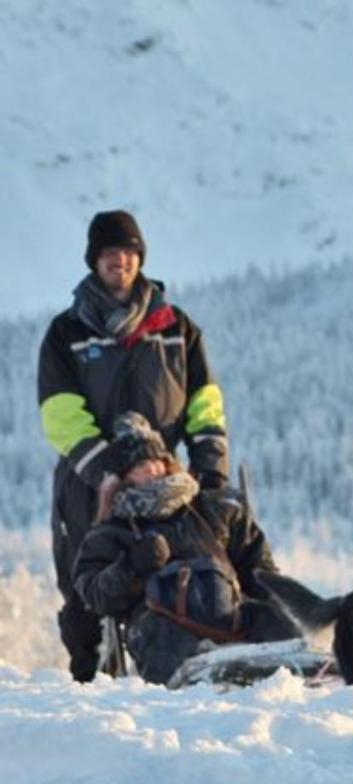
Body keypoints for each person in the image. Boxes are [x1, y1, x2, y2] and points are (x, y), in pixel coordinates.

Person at [38, 210, 231, 682]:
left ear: (139, 257)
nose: (118, 261)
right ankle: (92, 687)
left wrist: (210, 470)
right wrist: (110, 468)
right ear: (94, 261)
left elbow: (204, 404)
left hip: (164, 483)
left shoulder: (174, 327)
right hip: (91, 485)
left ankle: (183, 671)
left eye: (126, 252)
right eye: (108, 253)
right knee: (89, 587)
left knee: (187, 574)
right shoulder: (68, 333)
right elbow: (59, 415)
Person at [73, 413, 298, 686]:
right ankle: (190, 694)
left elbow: (259, 569)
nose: (152, 471)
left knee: (274, 618)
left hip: (229, 616)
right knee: (163, 635)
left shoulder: (212, 510)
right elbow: (95, 593)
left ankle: (301, 670)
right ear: (123, 477)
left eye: (157, 462)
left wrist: (280, 605)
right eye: (140, 466)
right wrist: (131, 566)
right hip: (160, 627)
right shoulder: (110, 533)